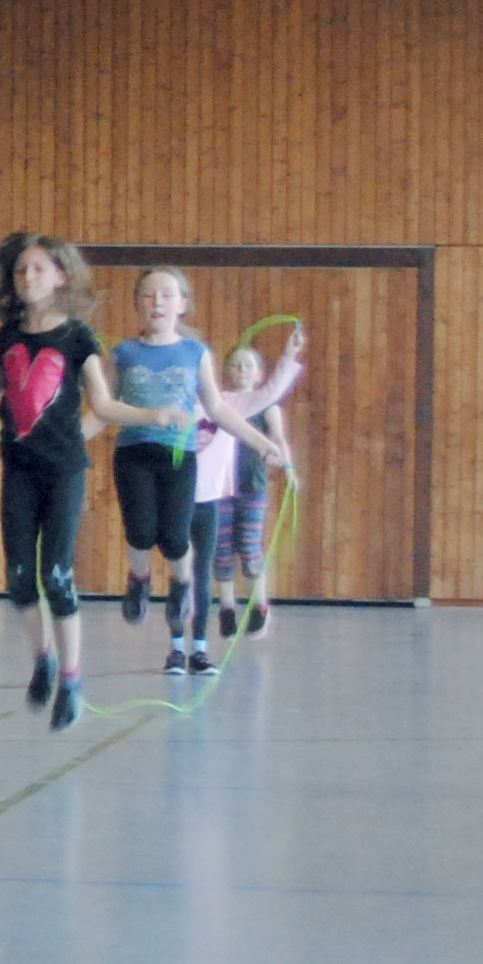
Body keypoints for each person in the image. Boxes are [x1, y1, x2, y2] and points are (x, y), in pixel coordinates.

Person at [0, 233, 185, 734]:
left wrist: (151, 414)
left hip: (64, 471)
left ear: (61, 276)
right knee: (16, 576)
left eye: (39, 269)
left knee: (56, 574)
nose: (29, 278)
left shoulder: (77, 336)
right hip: (19, 470)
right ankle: (44, 659)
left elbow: (103, 404)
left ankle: (71, 678)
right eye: (21, 271)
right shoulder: (6, 336)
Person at [106, 267, 284, 676]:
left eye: (166, 295)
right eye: (148, 295)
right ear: (137, 303)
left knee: (173, 536)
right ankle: (139, 579)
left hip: (178, 456)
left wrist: (261, 442)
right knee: (140, 532)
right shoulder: (124, 353)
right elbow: (105, 407)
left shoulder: (195, 353)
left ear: (182, 305)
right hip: (133, 451)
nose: (157, 302)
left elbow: (219, 409)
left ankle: (182, 585)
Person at [188, 325, 304, 668]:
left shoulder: (264, 406)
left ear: (259, 374)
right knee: (221, 550)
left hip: (252, 486)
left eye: (247, 366)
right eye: (235, 366)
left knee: (249, 547)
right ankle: (226, 606)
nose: (240, 372)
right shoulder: (218, 402)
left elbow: (278, 439)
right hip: (221, 487)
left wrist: (289, 468)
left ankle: (260, 603)